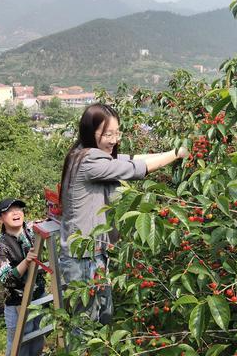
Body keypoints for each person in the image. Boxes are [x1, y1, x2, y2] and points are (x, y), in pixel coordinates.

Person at [59, 103, 187, 326]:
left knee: (102, 318)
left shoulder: (83, 153)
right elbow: (136, 168)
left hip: (93, 254)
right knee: (85, 326)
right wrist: (177, 153)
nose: (114, 139)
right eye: (108, 134)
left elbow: (133, 158)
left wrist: (174, 151)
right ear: (91, 132)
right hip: (83, 259)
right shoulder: (89, 161)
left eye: (117, 133)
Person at [0, 198, 46, 356]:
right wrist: (27, 261)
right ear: (1, 218)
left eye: (19, 209)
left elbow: (48, 221)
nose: (16, 212)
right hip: (18, 302)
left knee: (38, 339)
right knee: (20, 346)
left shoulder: (30, 230)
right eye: (9, 210)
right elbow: (6, 278)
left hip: (38, 296)